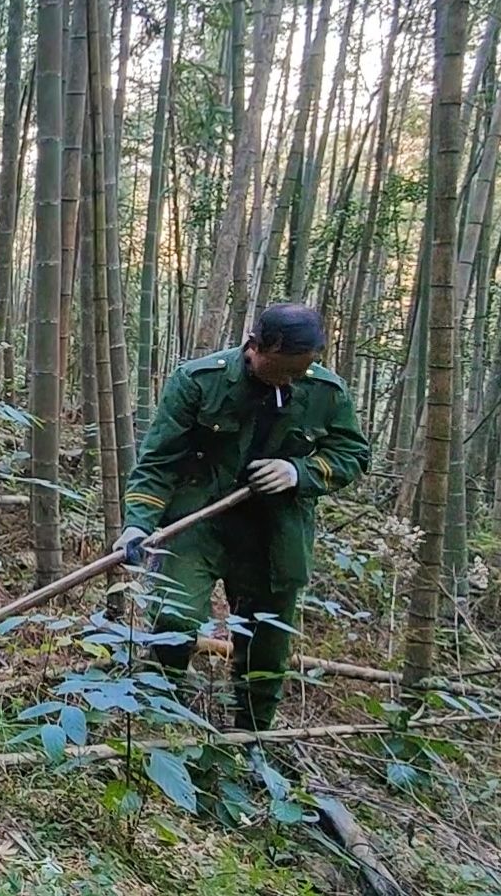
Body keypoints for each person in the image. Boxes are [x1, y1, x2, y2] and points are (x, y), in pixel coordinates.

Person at [116, 303, 370, 731]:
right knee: (173, 619)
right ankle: (156, 720)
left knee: (267, 644)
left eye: (302, 370)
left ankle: (250, 735)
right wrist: (137, 523)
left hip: (276, 532)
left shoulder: (326, 392)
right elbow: (158, 461)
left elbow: (353, 454)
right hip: (198, 522)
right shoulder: (200, 381)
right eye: (284, 368)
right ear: (254, 347)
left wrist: (297, 472)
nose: (292, 379)